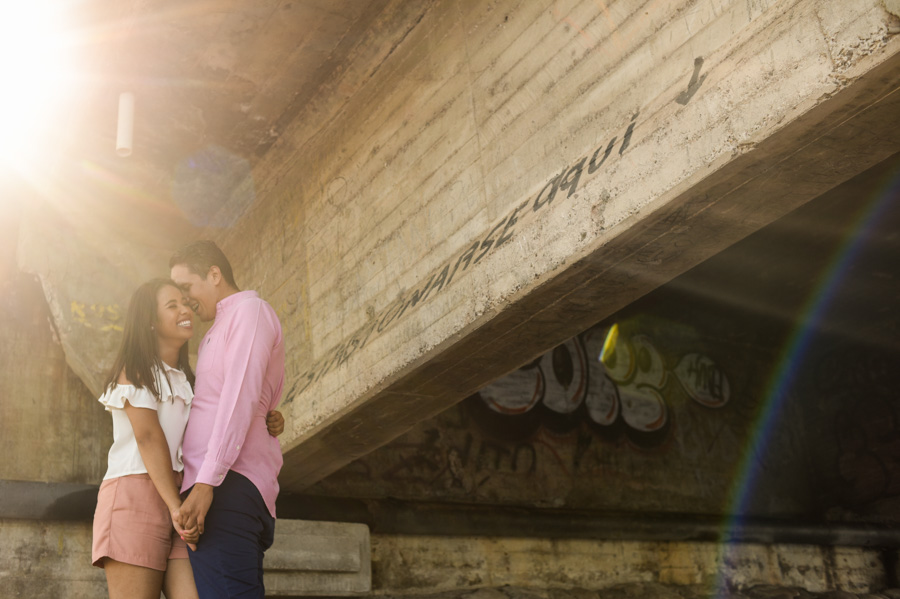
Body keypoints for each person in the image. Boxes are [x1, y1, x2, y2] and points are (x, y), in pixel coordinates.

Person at [91, 278, 284, 599]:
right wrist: (175, 507)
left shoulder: (189, 382)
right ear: (150, 322)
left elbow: (223, 417)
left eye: (185, 302)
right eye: (172, 305)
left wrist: (270, 417)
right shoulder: (135, 371)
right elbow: (149, 438)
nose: (186, 310)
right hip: (136, 497)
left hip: (182, 500)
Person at [170, 240, 285, 598]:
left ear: (214, 274)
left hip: (225, 488)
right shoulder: (213, 332)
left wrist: (206, 484)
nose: (186, 299)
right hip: (216, 488)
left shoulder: (250, 311)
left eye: (187, 287)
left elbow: (240, 398)